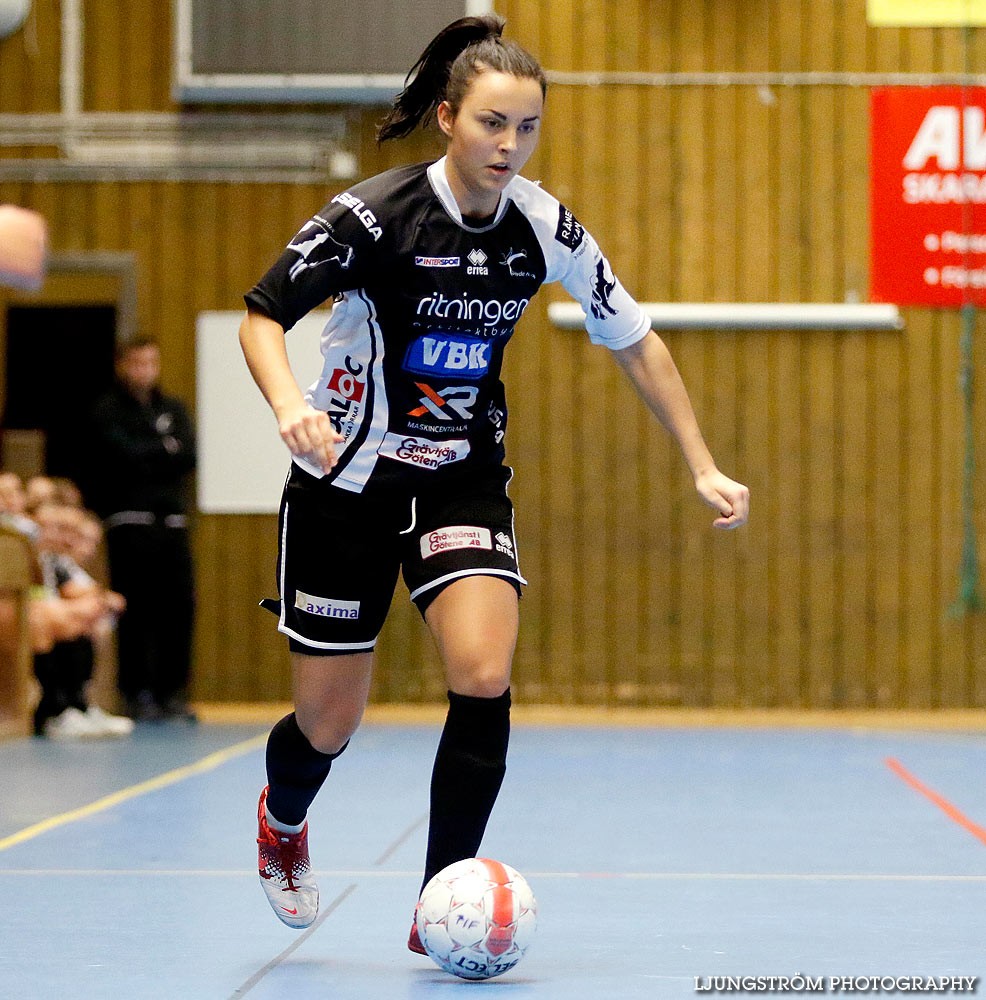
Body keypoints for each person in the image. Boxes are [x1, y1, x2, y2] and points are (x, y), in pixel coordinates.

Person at [239, 15, 749, 948]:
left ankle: (441, 906)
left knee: (482, 673)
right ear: (447, 118)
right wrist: (285, 405)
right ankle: (282, 818)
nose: (509, 146)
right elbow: (262, 316)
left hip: (460, 480)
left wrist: (702, 461)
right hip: (343, 484)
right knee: (328, 725)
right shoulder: (373, 218)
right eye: (491, 125)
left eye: (527, 129)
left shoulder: (545, 228)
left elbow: (634, 337)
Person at [84, 338, 197, 722]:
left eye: (151, 361)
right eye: (137, 362)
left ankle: (172, 693)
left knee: (178, 609)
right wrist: (161, 449)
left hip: (172, 522)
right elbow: (121, 457)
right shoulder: (107, 411)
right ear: (122, 365)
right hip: (130, 522)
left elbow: (187, 457)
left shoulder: (172, 408)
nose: (144, 370)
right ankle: (137, 693)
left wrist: (153, 451)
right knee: (138, 610)